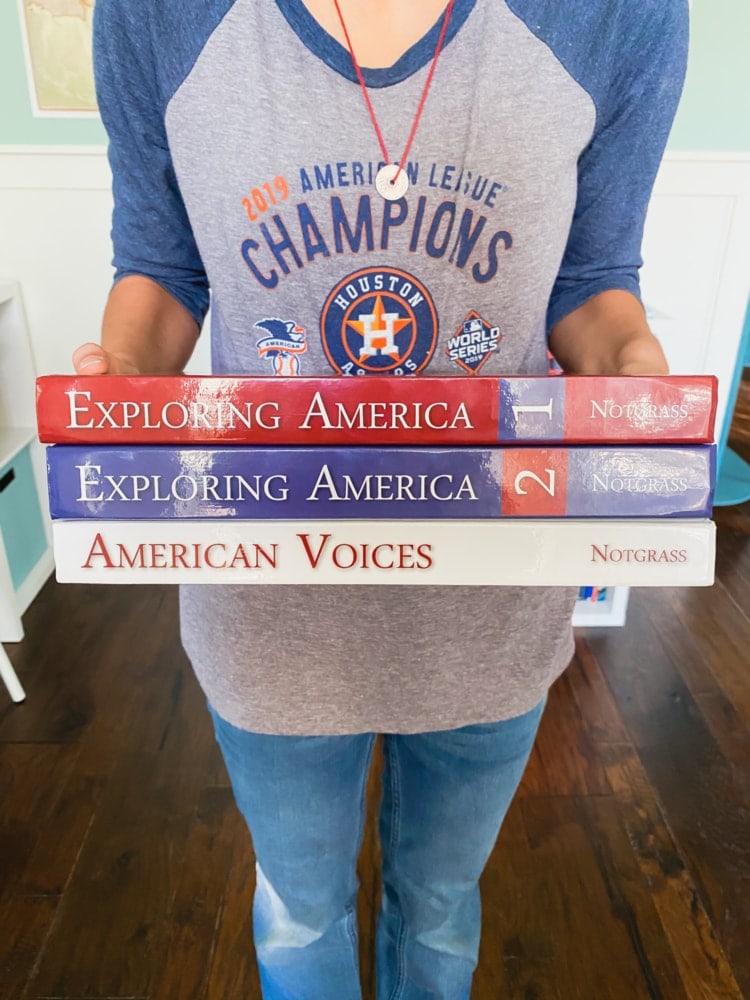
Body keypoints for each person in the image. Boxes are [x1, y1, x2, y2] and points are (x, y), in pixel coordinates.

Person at [73, 1, 688, 996]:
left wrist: (630, 367)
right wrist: (127, 380)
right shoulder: (156, 15)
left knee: (440, 911)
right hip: (268, 606)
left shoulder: (623, 16)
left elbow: (595, 275)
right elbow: (164, 262)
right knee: (301, 909)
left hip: (493, 601)